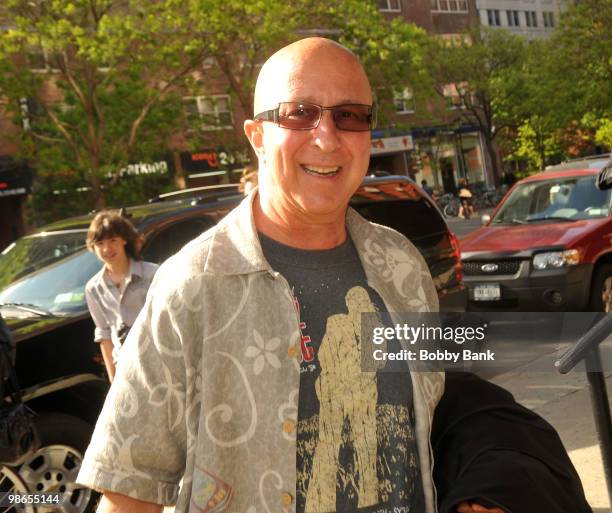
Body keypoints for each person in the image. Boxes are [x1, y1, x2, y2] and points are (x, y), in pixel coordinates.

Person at [77, 38, 498, 513]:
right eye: (300, 112)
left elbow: (440, 418)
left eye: (351, 115)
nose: (327, 137)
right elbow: (129, 491)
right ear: (257, 136)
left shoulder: (403, 265)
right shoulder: (191, 286)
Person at [84, 210, 158, 382]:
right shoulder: (93, 289)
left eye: (113, 240)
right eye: (100, 243)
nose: (106, 249)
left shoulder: (153, 273)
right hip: (125, 368)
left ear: (124, 240)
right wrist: (113, 379)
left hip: (158, 359)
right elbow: (104, 334)